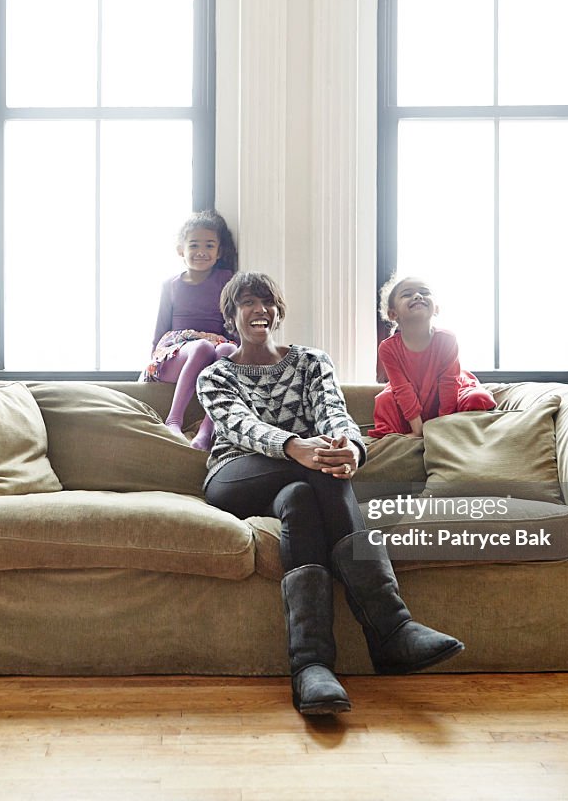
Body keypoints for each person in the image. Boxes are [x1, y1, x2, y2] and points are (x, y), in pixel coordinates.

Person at [197, 272, 464, 716]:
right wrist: (296, 446)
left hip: (302, 476)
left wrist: (351, 448)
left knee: (304, 494)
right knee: (317, 471)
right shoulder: (216, 375)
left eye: (266, 301)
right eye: (247, 302)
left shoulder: (311, 361)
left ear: (278, 312)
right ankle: (392, 629)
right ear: (231, 317)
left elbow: (334, 413)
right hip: (236, 474)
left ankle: (311, 667)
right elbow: (243, 427)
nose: (258, 309)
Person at [142, 210, 238, 450]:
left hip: (215, 348)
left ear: (219, 252)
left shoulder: (227, 280)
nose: (201, 251)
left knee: (227, 348)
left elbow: (235, 324)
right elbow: (159, 332)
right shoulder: (171, 285)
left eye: (209, 245)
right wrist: (149, 365)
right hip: (178, 351)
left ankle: (207, 430)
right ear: (181, 250)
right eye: (194, 245)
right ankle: (174, 420)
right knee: (202, 347)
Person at [369, 275, 495, 439]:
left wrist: (441, 428)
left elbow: (449, 385)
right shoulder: (388, 348)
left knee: (477, 398)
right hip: (412, 401)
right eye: (407, 294)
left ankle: (453, 429)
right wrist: (419, 431)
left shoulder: (447, 340)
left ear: (436, 308)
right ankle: (408, 436)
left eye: (424, 292)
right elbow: (402, 390)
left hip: (449, 395)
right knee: (385, 401)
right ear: (393, 314)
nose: (418, 296)